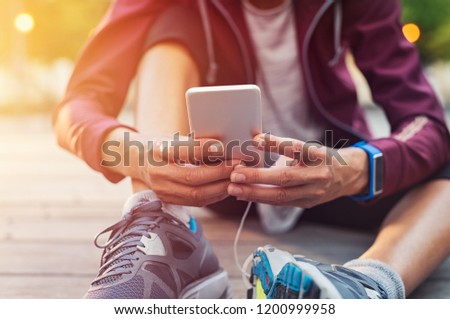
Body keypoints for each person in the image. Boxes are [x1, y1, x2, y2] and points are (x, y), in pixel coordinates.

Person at [53, 0, 450, 299]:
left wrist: (353, 169)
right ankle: (164, 226)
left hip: (329, 173)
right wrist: (134, 153)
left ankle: (366, 285)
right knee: (170, 24)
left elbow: (428, 126)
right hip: (218, 181)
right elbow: (77, 107)